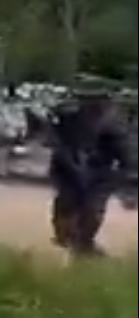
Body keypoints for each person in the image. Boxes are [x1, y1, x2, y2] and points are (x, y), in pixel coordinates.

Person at [48, 80, 135, 258]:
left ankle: (84, 247)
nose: (91, 105)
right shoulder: (67, 116)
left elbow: (126, 154)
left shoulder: (113, 124)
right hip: (69, 171)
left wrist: (130, 184)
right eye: (86, 100)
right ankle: (76, 243)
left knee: (91, 213)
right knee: (65, 213)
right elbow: (54, 138)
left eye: (97, 100)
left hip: (98, 175)